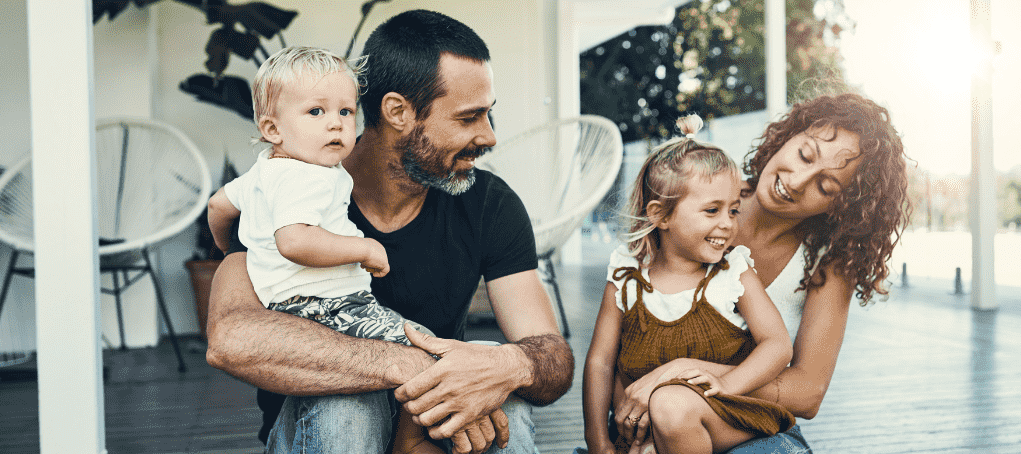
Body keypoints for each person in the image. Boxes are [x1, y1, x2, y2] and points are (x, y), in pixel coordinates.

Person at [203, 9, 574, 454]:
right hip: (323, 433)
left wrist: (507, 365)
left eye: (489, 115)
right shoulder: (287, 187)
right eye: (468, 117)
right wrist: (408, 365)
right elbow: (231, 338)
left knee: (503, 399)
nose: (490, 136)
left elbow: (552, 356)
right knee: (351, 407)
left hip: (432, 430)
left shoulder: (488, 203)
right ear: (398, 111)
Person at [609, 92, 911, 453]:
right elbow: (613, 344)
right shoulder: (694, 195)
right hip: (652, 421)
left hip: (753, 428)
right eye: (804, 155)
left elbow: (809, 392)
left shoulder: (826, 263)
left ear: (841, 206)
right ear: (787, 137)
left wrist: (683, 374)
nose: (797, 181)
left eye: (825, 186)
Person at [205, 45, 447, 454]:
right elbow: (295, 240)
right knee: (422, 344)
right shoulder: (309, 177)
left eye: (345, 112)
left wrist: (228, 245)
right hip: (328, 306)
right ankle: (411, 442)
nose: (335, 125)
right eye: (316, 112)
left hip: (288, 309)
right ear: (273, 129)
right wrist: (363, 248)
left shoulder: (265, 169)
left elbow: (217, 206)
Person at [583, 115, 795, 454]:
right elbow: (600, 361)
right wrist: (598, 441)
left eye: (734, 211)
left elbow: (778, 346)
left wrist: (726, 384)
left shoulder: (733, 272)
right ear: (660, 215)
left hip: (727, 414)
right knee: (663, 412)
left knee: (670, 404)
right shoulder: (627, 275)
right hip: (642, 426)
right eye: (712, 210)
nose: (727, 224)